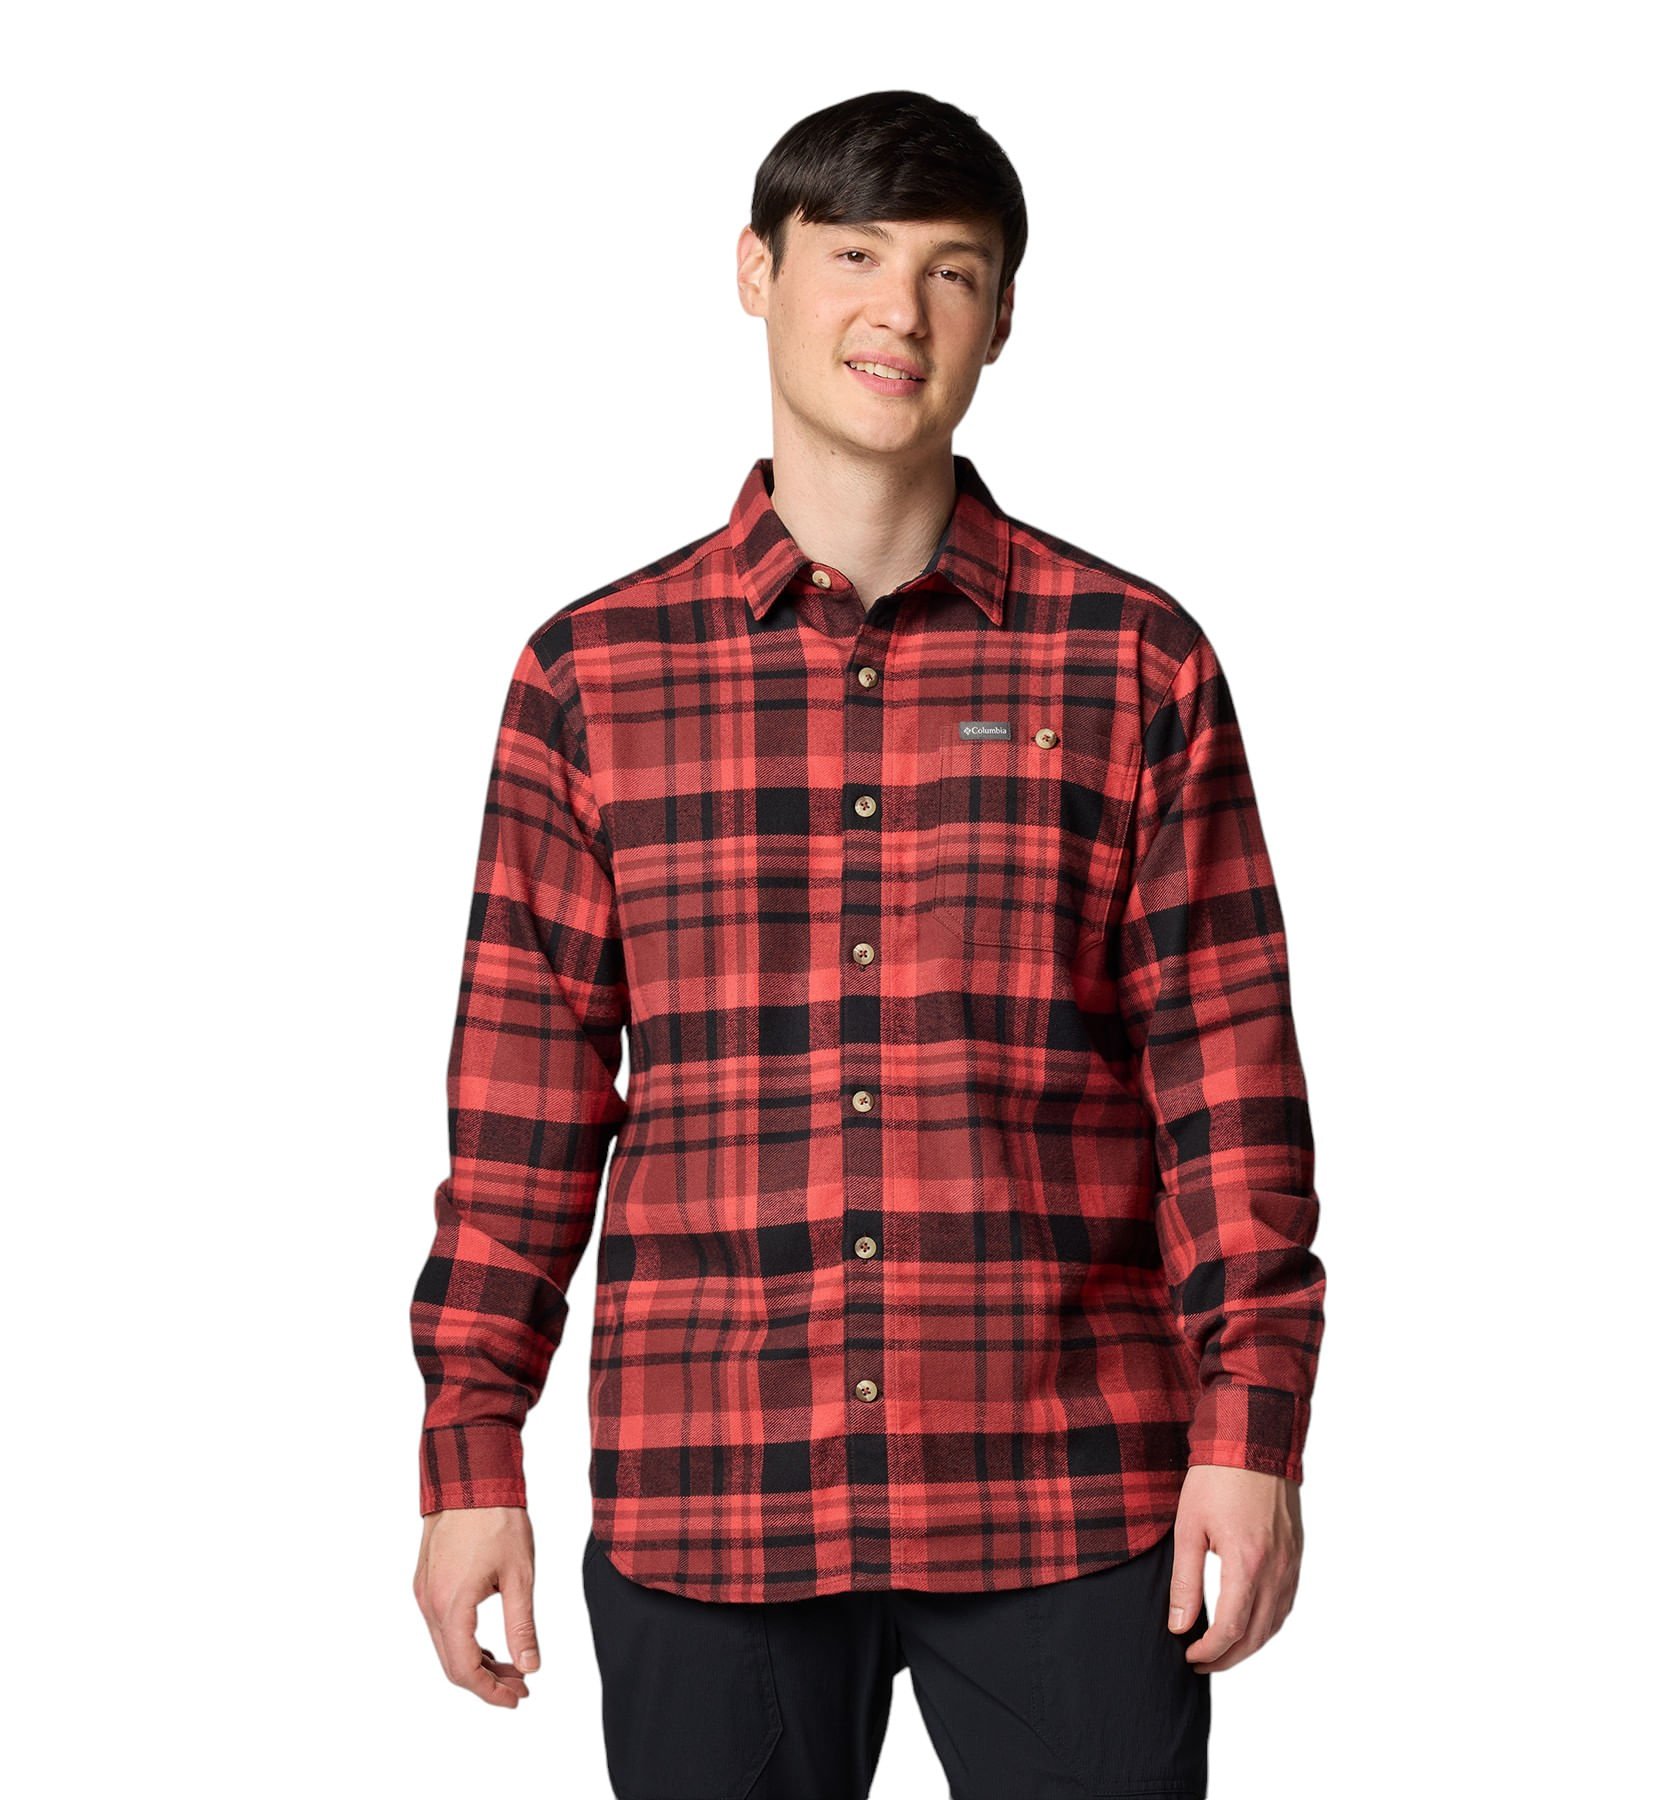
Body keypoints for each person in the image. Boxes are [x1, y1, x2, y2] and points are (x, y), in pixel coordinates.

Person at [410, 88, 1326, 1800]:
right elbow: (525, 1109)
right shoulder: (590, 678)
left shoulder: (1135, 663)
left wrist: (1254, 1428)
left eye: (951, 272)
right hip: (713, 1491)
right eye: (852, 256)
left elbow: (1226, 1092)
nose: (898, 310)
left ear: (1001, 319)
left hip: (1069, 1488)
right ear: (756, 274)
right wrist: (471, 1452)